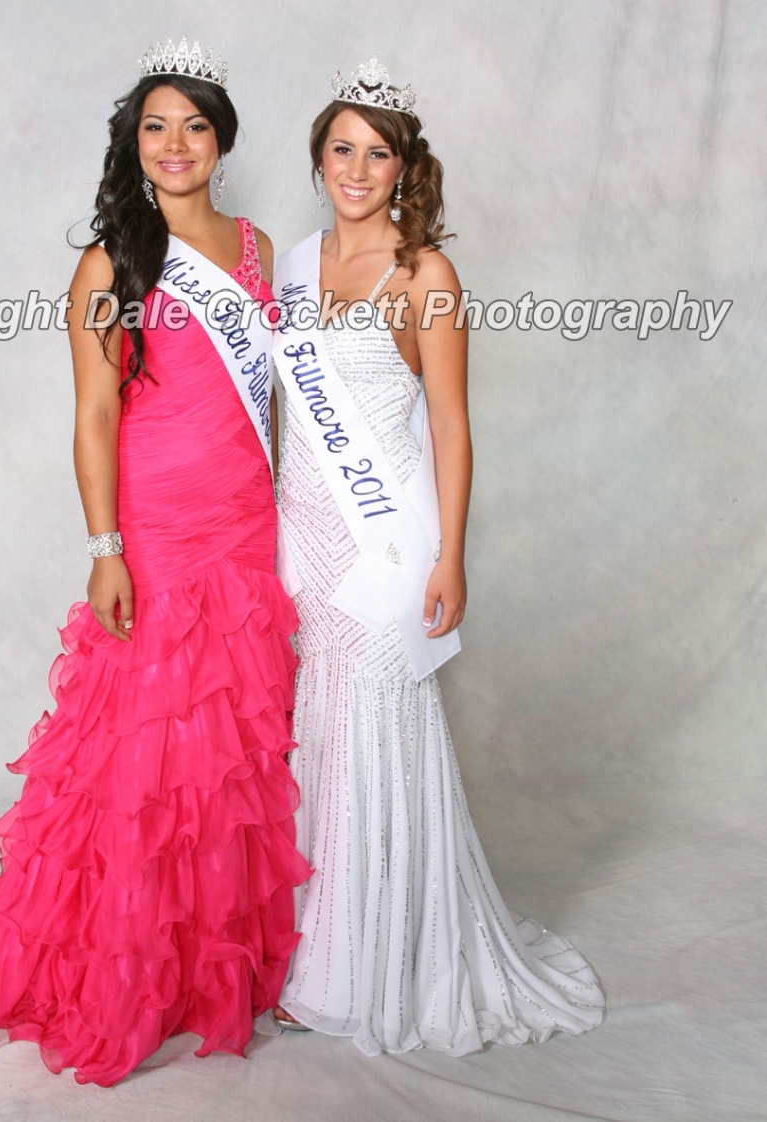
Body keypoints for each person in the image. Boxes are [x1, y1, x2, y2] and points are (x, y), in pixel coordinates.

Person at [0, 38, 309, 1086]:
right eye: (155, 125)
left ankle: (207, 966)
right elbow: (94, 414)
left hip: (244, 521)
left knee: (226, 748)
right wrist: (107, 547)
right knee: (144, 752)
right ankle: (127, 965)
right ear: (131, 144)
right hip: (155, 522)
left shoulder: (259, 247)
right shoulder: (109, 260)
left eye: (194, 124)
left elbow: (268, 391)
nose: (175, 144)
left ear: (222, 140)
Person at [270, 57, 605, 1055]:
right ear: (318, 159)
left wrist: (448, 557)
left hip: (384, 544)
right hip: (304, 542)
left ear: (405, 167)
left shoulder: (426, 276)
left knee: (374, 737)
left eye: (378, 153)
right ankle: (312, 944)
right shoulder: (292, 263)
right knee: (319, 740)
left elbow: (452, 429)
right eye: (342, 150)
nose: (358, 170)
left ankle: (363, 968)